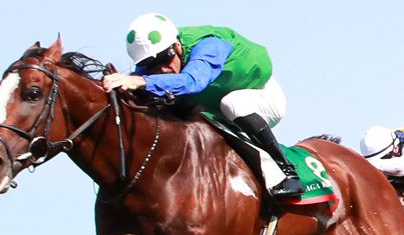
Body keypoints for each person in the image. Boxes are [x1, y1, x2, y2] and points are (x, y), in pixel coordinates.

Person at [102, 13, 304, 200]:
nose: (161, 69)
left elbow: (192, 81)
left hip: (263, 98)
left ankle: (287, 172)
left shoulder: (210, 45)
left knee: (232, 103)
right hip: (216, 110)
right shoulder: (151, 66)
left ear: (177, 46)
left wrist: (142, 81)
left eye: (165, 58)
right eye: (150, 65)